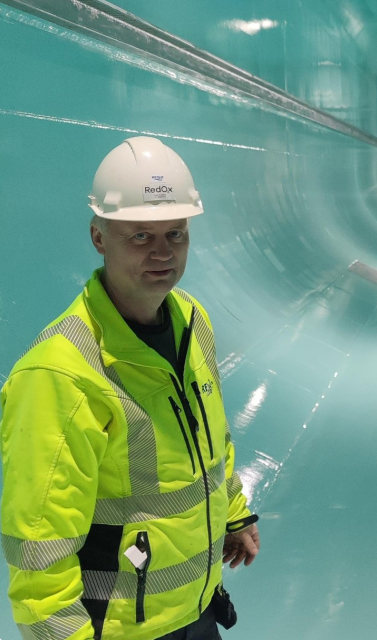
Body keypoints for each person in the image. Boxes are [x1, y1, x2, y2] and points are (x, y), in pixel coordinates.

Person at [1, 137, 260, 640]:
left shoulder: (191, 321)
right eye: (140, 236)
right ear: (99, 238)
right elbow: (39, 563)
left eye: (176, 233)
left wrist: (232, 513)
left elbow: (209, 444)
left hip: (198, 610)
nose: (163, 252)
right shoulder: (61, 374)